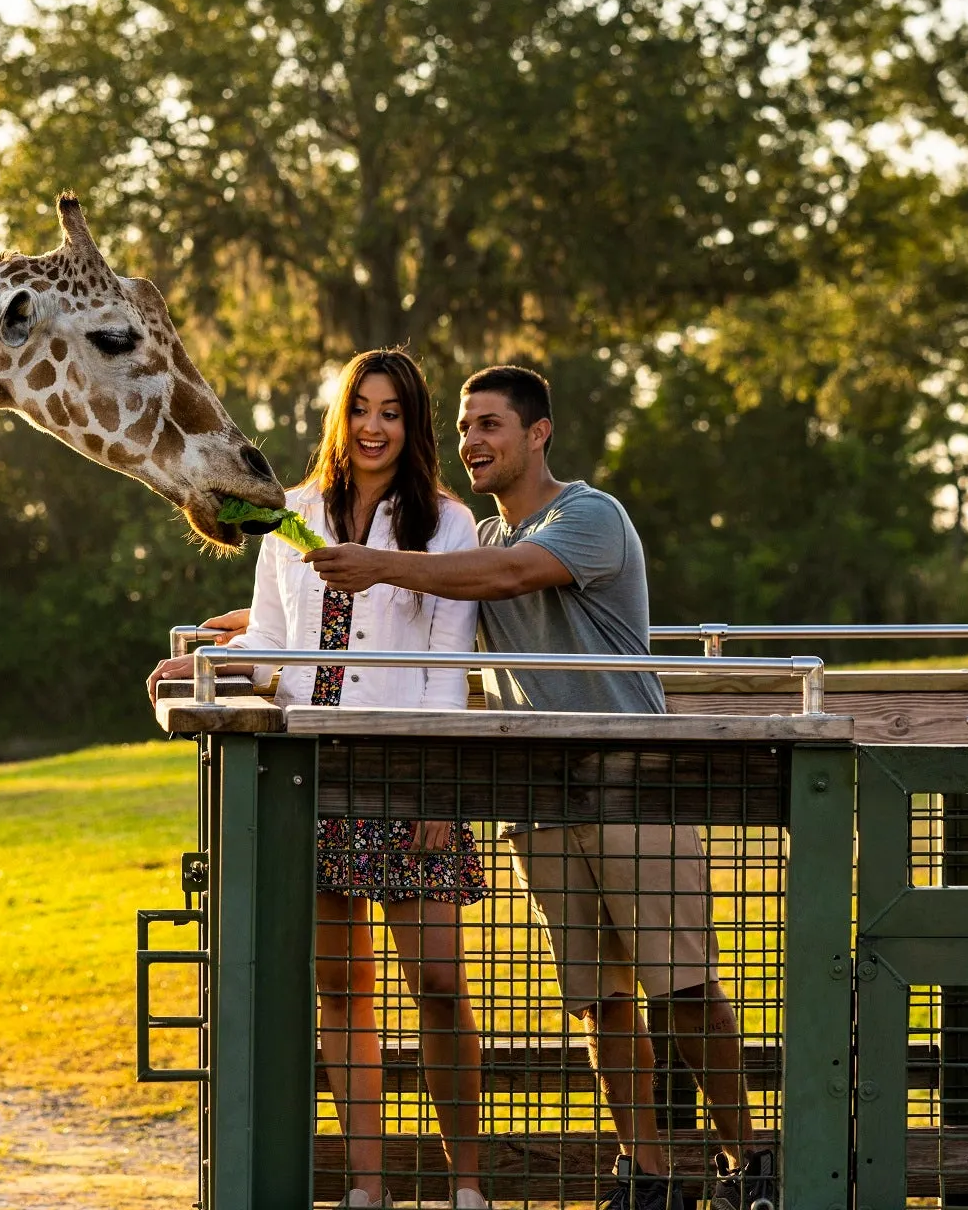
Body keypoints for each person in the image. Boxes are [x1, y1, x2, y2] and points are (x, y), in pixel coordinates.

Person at [302, 364, 776, 1210]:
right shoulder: (471, 542)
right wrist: (236, 633)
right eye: (464, 428)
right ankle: (650, 1179)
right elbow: (398, 617)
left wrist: (377, 562)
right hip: (544, 803)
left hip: (637, 784)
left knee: (685, 988)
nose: (473, 442)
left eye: (490, 425)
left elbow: (509, 579)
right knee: (600, 1002)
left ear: (538, 433)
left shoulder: (586, 516)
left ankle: (754, 1164)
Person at [150, 348, 489, 1210]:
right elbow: (273, 639)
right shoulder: (291, 514)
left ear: (412, 428)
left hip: (408, 778)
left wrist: (441, 793)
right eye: (362, 408)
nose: (375, 426)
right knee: (342, 990)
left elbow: (448, 665)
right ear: (341, 416)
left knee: (442, 987)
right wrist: (206, 668)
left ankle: (468, 1187)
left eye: (394, 412)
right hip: (313, 775)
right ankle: (368, 1187)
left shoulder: (445, 525)